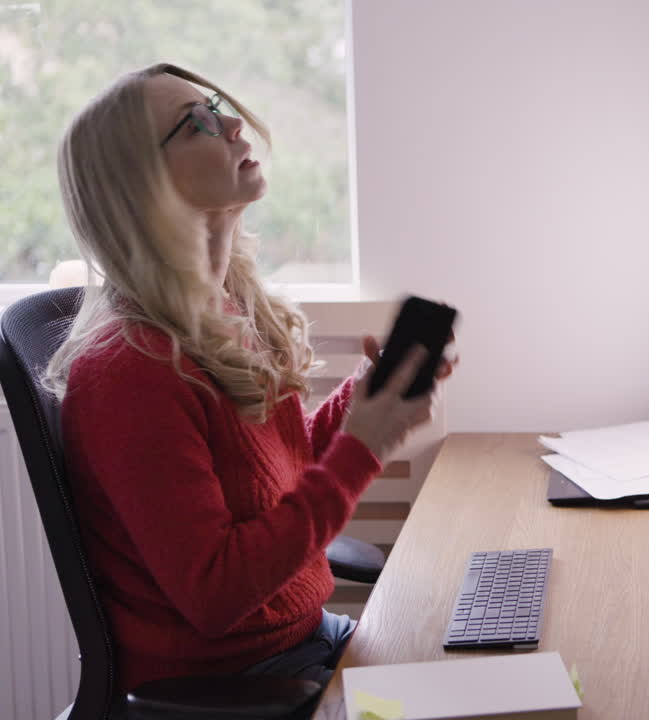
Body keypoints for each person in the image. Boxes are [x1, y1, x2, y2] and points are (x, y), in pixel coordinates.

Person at [42, 63, 453, 692]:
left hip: (300, 642)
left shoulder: (222, 310)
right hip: (233, 685)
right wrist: (363, 448)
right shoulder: (129, 371)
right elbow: (217, 591)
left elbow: (270, 488)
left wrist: (362, 404)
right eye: (196, 124)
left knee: (479, 657)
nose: (232, 121)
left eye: (214, 106)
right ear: (142, 186)